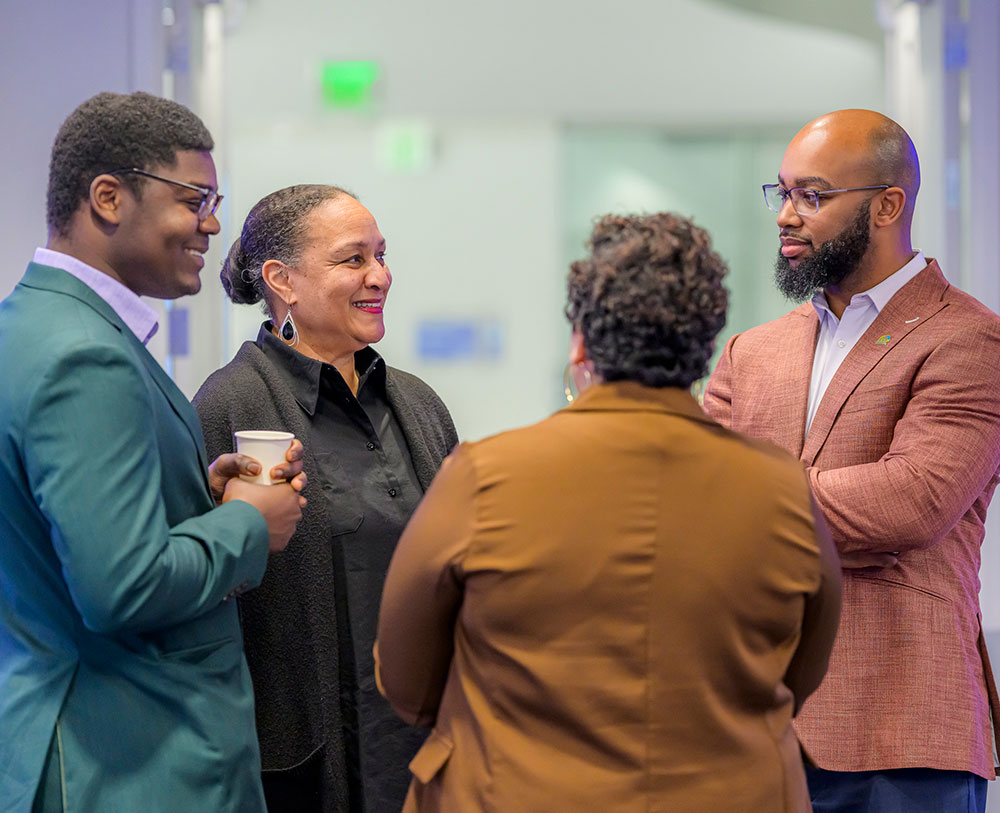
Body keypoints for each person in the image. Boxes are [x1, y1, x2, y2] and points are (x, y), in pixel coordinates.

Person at [374, 212, 843, 812]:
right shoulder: (781, 489)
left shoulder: (485, 476)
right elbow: (801, 674)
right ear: (705, 347)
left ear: (581, 341)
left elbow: (408, 682)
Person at [0, 91, 307, 812]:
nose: (213, 223)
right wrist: (248, 523)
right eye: (194, 198)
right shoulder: (85, 355)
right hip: (129, 757)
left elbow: (67, 530)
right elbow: (121, 586)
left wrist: (196, 496)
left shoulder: (32, 323)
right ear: (109, 197)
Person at [703, 109, 1000, 812]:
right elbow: (693, 499)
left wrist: (746, 502)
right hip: (753, 727)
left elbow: (913, 499)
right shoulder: (753, 351)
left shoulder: (971, 340)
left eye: (813, 195)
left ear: (888, 204)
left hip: (901, 731)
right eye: (781, 193)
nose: (787, 216)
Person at [193, 184, 459, 812]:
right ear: (281, 280)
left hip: (424, 752)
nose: (381, 276)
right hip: (301, 767)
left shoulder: (419, 405)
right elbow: (203, 582)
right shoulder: (232, 406)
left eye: (382, 255)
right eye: (354, 259)